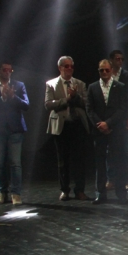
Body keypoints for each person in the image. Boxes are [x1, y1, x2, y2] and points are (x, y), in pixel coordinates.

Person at [0, 60, 29, 205]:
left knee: (15, 163)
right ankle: (2, 192)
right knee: (0, 163)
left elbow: (26, 105)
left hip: (15, 129)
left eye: (10, 70)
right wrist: (1, 99)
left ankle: (16, 194)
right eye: (5, 70)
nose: (8, 72)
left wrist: (13, 97)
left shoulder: (19, 85)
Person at [45, 56, 91, 201]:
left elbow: (87, 104)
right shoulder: (51, 84)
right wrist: (67, 100)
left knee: (79, 160)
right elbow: (48, 104)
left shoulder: (80, 84)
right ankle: (64, 190)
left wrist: (75, 97)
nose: (70, 68)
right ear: (60, 68)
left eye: (71, 66)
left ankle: (80, 190)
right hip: (61, 126)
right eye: (66, 66)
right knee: (62, 160)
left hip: (77, 126)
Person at [86, 60, 128, 205]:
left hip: (115, 130)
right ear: (98, 71)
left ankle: (121, 194)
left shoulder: (120, 86)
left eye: (107, 70)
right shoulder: (92, 87)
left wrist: (108, 123)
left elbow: (123, 108)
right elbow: (89, 109)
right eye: (101, 70)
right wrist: (100, 125)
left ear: (111, 70)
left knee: (119, 162)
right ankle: (100, 194)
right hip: (99, 131)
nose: (104, 72)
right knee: (100, 164)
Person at [107, 49, 128, 191]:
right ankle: (111, 179)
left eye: (122, 59)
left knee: (127, 150)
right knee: (110, 151)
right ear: (111, 60)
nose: (120, 61)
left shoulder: (127, 76)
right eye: (117, 59)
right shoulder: (106, 74)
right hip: (110, 118)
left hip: (124, 117)